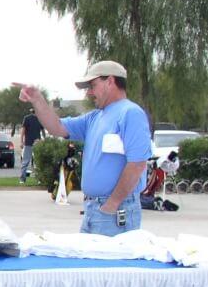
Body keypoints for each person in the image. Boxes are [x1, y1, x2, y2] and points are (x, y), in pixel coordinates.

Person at [17, 61, 152, 235]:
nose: (89, 92)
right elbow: (56, 127)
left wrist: (112, 204)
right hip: (94, 209)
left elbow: (137, 165)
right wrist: (37, 100)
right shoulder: (94, 118)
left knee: (107, 262)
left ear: (110, 81)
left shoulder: (131, 114)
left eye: (92, 85)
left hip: (115, 212)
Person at [19, 106, 45, 183]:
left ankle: (35, 179)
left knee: (32, 162)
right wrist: (21, 142)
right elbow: (23, 131)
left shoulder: (38, 119)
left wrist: (44, 140)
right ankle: (25, 179)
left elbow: (43, 131)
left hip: (33, 143)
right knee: (31, 162)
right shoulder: (30, 118)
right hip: (31, 143)